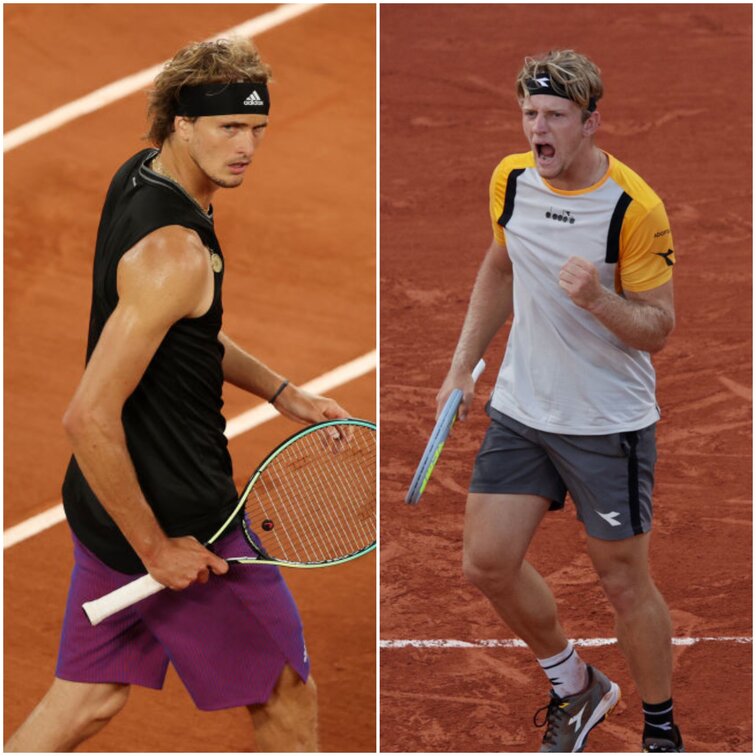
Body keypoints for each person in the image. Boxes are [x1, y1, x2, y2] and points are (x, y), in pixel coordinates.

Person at [6, 38, 350, 752]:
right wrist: (158, 548)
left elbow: (185, 339)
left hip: (104, 499)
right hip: (180, 517)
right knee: (286, 697)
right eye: (228, 127)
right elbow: (86, 414)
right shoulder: (176, 254)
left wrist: (282, 392)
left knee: (89, 700)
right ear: (181, 124)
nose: (247, 145)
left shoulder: (142, 178)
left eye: (257, 129)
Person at [437, 50, 683, 753]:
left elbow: (658, 329)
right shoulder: (511, 180)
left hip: (606, 424)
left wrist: (599, 298)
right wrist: (463, 367)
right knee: (486, 562)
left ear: (590, 123)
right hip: (522, 411)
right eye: (529, 114)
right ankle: (577, 687)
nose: (537, 129)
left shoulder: (633, 209)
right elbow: (500, 261)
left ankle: (662, 732)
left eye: (553, 117)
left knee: (623, 582)